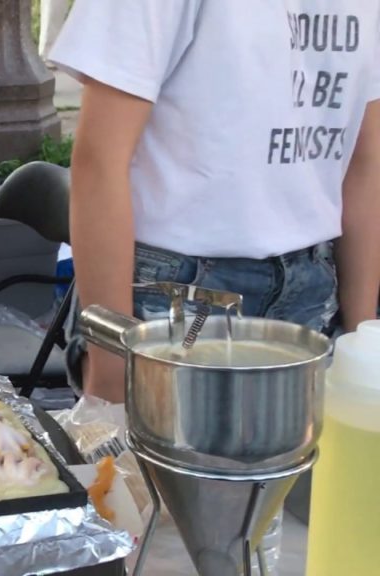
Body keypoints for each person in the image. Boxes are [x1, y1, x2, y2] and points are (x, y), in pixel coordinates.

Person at [49, 1, 380, 403]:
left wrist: (361, 340)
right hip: (173, 294)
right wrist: (111, 367)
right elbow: (100, 162)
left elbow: (364, 166)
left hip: (313, 289)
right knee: (142, 466)